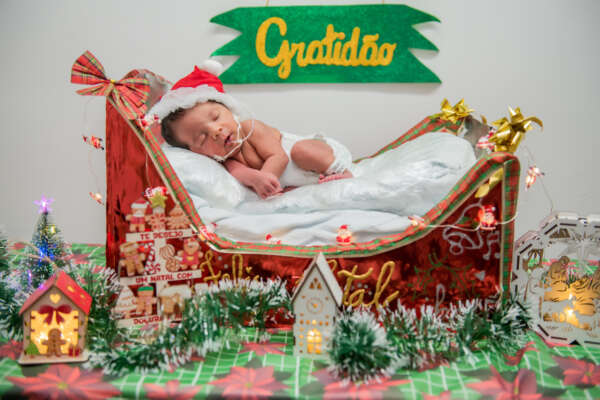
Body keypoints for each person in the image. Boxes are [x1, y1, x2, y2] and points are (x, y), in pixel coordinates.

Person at [147, 61, 353, 199]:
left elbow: (278, 157)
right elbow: (242, 173)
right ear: (196, 152)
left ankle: (341, 172)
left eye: (216, 117)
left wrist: (265, 177)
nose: (216, 131)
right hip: (302, 177)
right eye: (202, 138)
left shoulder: (250, 127)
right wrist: (255, 181)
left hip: (315, 155)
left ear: (229, 110)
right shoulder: (227, 160)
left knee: (302, 151)